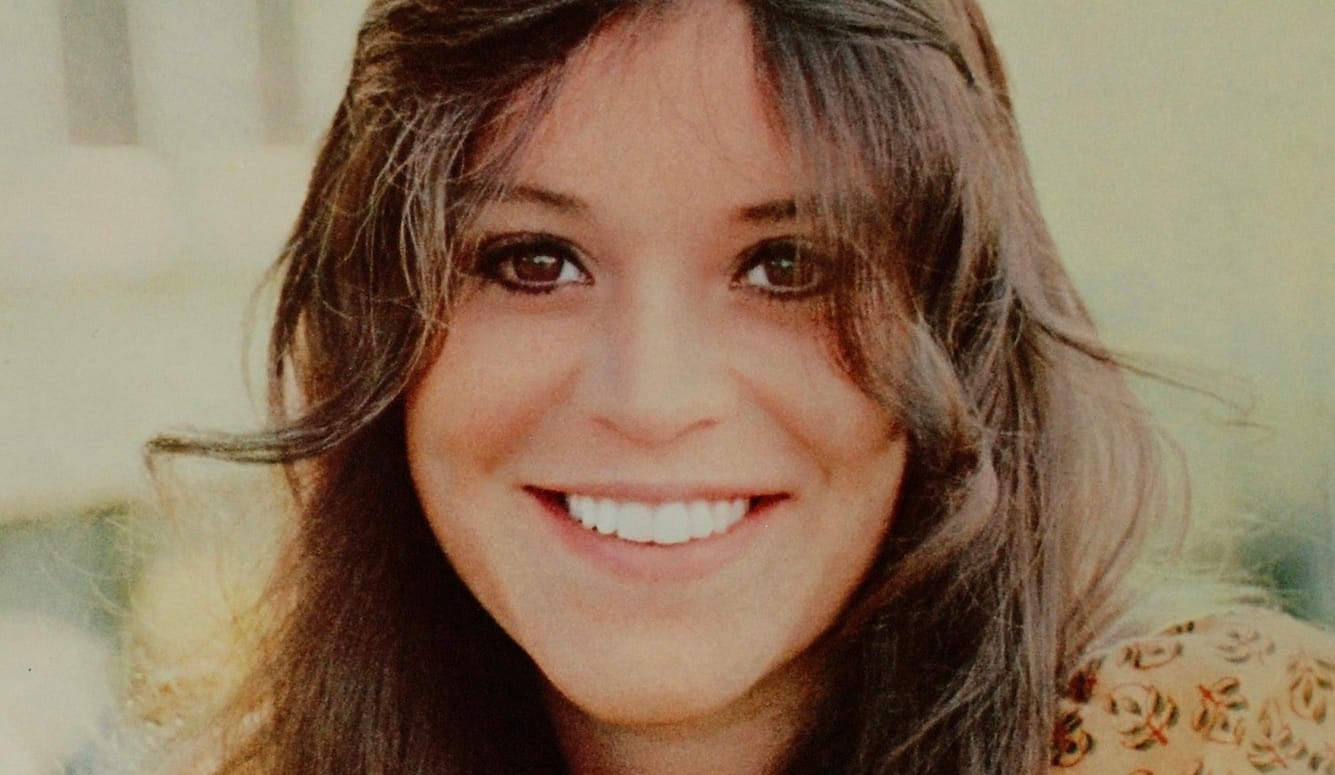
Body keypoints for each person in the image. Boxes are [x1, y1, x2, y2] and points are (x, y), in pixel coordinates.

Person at [142, 1, 1333, 773]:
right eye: (533, 262)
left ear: (959, 333)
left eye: (788, 267)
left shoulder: (1213, 744)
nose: (652, 398)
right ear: (378, 338)